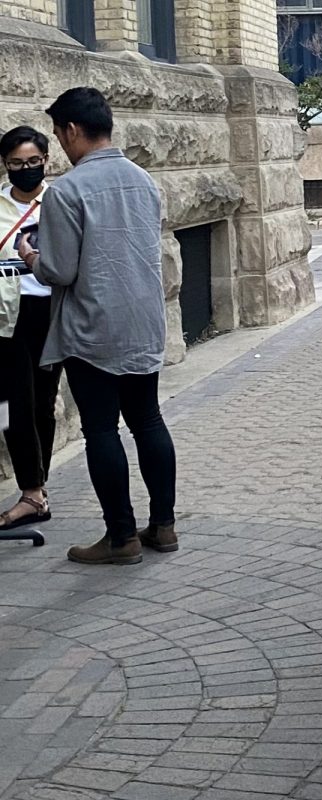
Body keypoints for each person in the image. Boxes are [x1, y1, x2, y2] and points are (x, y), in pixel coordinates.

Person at [17, 88, 177, 566]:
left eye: (58, 134)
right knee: (147, 418)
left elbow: (61, 271)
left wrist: (32, 257)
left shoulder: (68, 189)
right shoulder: (144, 180)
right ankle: (164, 526)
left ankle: (121, 536)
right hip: (144, 321)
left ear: (70, 131)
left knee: (101, 428)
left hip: (92, 326)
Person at [0, 126, 60, 532]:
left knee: (41, 403)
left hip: (49, 311)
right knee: (8, 406)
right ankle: (32, 491)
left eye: (32, 163)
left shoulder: (57, 203)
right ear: (5, 166)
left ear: (45, 161)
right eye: (16, 164)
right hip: (5, 314)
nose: (25, 170)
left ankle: (36, 490)